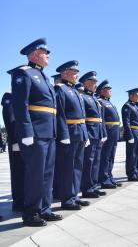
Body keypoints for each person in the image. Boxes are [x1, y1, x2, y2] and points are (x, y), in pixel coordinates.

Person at [11, 38, 62, 226]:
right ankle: (31, 212)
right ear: (34, 54)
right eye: (45, 52)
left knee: (48, 173)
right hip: (35, 133)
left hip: (49, 132)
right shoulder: (23, 73)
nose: (48, 55)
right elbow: (20, 105)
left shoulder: (44, 77)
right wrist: (25, 132)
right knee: (35, 173)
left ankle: (45, 209)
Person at [55, 61, 90, 210]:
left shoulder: (75, 91)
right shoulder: (60, 89)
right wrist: (63, 134)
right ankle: (67, 199)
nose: (77, 75)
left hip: (79, 132)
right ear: (66, 72)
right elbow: (59, 114)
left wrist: (85, 135)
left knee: (77, 167)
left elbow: (82, 116)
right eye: (75, 72)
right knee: (67, 167)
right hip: (69, 132)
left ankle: (74, 196)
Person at [79, 71, 107, 198]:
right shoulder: (83, 97)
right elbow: (82, 118)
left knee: (96, 161)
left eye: (95, 82)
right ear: (86, 83)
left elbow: (100, 118)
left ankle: (94, 185)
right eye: (93, 82)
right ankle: (87, 188)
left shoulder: (94, 99)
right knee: (88, 161)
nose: (96, 85)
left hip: (97, 132)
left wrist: (103, 133)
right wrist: (85, 135)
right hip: (90, 132)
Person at [2, 67, 25, 212]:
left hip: (26, 141)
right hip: (16, 141)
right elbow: (9, 120)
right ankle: (18, 202)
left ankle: (24, 199)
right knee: (18, 172)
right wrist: (16, 141)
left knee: (26, 171)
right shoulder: (9, 96)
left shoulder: (22, 97)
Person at [97, 80, 122, 189]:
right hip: (108, 131)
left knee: (111, 156)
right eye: (108, 89)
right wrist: (103, 133)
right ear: (102, 91)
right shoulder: (100, 102)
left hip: (114, 132)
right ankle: (104, 179)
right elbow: (101, 119)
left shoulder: (110, 102)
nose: (110, 91)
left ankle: (110, 176)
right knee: (105, 157)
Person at [122, 87, 138, 181]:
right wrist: (130, 135)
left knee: (137, 154)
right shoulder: (127, 106)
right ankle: (130, 174)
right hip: (132, 132)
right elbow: (126, 122)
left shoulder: (136, 106)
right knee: (131, 154)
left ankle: (135, 171)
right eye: (137, 94)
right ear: (131, 95)